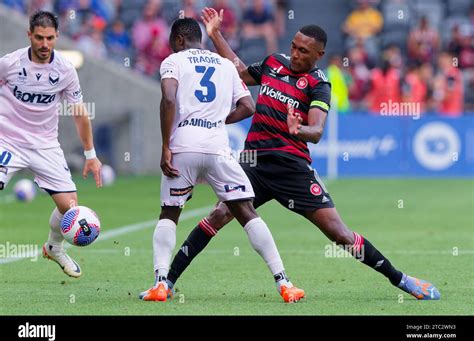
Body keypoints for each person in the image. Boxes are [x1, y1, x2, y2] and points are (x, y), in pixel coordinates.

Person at [165, 7, 441, 301]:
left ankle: (401, 280)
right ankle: (167, 282)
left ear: (318, 54)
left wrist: (299, 129)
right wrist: (216, 34)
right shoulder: (274, 64)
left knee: (339, 234)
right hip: (254, 164)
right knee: (218, 215)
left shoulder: (318, 84)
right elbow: (240, 72)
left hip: (292, 168)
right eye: (294, 47)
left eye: (303, 51)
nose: (295, 55)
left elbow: (317, 131)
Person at [138, 18, 304, 303]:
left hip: (184, 147)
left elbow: (168, 100)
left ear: (178, 40)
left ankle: (160, 284)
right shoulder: (226, 65)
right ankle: (284, 283)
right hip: (217, 148)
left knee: (170, 213)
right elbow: (248, 106)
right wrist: (217, 120)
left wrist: (166, 146)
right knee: (247, 212)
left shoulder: (173, 61)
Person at [0, 11, 102, 277]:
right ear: (29, 36)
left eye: (50, 38)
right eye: (39, 38)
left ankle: (54, 247)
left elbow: (79, 113)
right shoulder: (9, 64)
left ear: (57, 37)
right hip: (7, 142)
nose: (45, 44)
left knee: (70, 207)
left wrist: (90, 155)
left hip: (45, 146)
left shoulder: (65, 70)